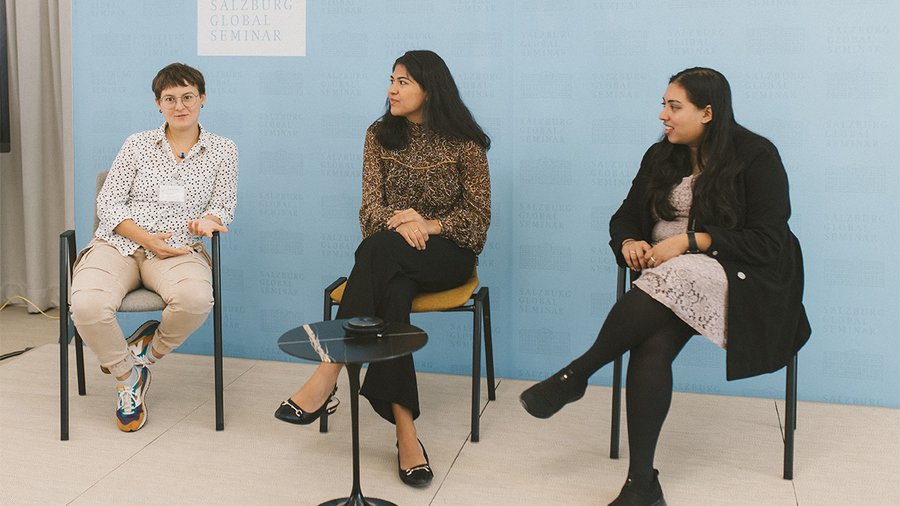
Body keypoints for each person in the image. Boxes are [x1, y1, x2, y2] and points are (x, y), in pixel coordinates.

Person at [520, 67, 810, 506]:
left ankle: (576, 374)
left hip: (737, 275)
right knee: (651, 345)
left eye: (674, 107)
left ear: (708, 112)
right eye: (663, 105)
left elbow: (770, 239)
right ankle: (642, 485)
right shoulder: (662, 156)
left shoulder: (757, 155)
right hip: (663, 286)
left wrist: (691, 241)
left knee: (679, 272)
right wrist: (630, 241)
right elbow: (624, 216)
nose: (663, 116)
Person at [274, 50, 491, 488]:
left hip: (448, 255)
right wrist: (402, 221)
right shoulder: (378, 135)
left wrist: (427, 223)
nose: (392, 89)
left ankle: (329, 370)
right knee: (391, 287)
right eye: (391, 79)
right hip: (392, 253)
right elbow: (369, 211)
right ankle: (407, 434)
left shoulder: (464, 142)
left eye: (404, 81)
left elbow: (477, 220)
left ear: (431, 89)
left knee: (378, 252)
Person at [70, 63, 238, 433]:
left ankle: (147, 351)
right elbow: (108, 204)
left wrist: (207, 221)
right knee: (85, 305)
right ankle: (128, 378)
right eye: (170, 99)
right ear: (158, 104)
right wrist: (146, 240)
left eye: (188, 97)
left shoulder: (223, 151)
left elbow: (222, 205)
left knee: (196, 299)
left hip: (179, 246)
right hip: (120, 243)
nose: (180, 106)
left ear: (203, 98)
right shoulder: (137, 144)